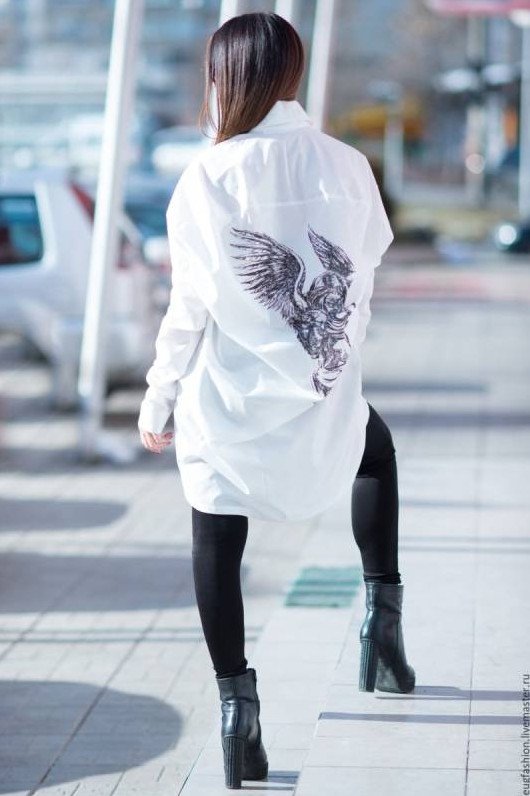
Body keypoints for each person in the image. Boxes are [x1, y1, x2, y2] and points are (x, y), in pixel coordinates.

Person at [138, 11, 415, 790]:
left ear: (224, 79)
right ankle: (382, 626)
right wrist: (333, 367)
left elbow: (190, 306)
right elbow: (362, 278)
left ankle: (238, 713)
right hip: (323, 396)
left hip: (228, 404)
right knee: (374, 453)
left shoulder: (207, 177)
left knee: (215, 532)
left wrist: (159, 397)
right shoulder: (347, 164)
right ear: (291, 73)